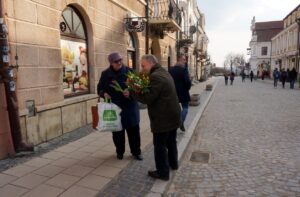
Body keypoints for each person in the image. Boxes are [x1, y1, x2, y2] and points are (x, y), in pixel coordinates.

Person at [131, 54, 181, 181]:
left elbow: (148, 98)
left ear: (151, 63)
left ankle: (162, 172)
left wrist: (133, 92)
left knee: (160, 146)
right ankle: (173, 164)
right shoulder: (164, 72)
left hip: (163, 118)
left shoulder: (155, 76)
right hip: (173, 115)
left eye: (143, 66)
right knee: (171, 142)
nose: (142, 69)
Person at [97, 52, 143, 161]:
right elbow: (99, 89)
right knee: (117, 133)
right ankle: (119, 151)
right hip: (115, 108)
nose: (119, 63)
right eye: (116, 61)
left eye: (120, 60)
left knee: (134, 132)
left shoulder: (130, 72)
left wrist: (130, 92)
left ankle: (136, 152)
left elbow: (139, 87)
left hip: (130, 108)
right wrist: (104, 93)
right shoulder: (105, 74)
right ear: (111, 63)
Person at [169, 55, 191, 132]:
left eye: (185, 60)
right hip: (183, 92)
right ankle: (180, 122)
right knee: (185, 108)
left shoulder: (170, 69)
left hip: (173, 92)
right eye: (184, 60)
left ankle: (174, 125)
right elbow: (187, 81)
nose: (185, 61)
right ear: (179, 60)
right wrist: (188, 88)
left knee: (174, 110)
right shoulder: (184, 70)